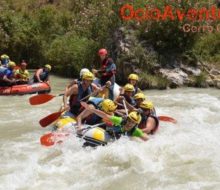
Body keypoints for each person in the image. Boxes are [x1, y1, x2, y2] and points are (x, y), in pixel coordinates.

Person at [81, 101, 148, 141]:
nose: (130, 124)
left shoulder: (135, 131)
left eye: (133, 123)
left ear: (136, 125)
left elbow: (148, 140)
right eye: (129, 121)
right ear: (127, 119)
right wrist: (92, 110)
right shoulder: (120, 120)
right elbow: (105, 115)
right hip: (109, 131)